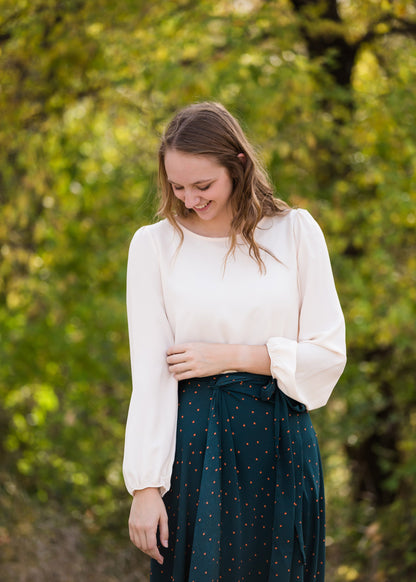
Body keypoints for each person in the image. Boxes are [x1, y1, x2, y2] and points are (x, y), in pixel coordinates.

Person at [123, 101, 346, 582]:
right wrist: (145, 486)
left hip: (280, 441)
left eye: (203, 185)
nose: (189, 199)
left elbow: (327, 355)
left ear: (238, 164)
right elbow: (150, 374)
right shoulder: (154, 246)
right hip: (197, 444)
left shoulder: (295, 232)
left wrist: (231, 357)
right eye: (177, 187)